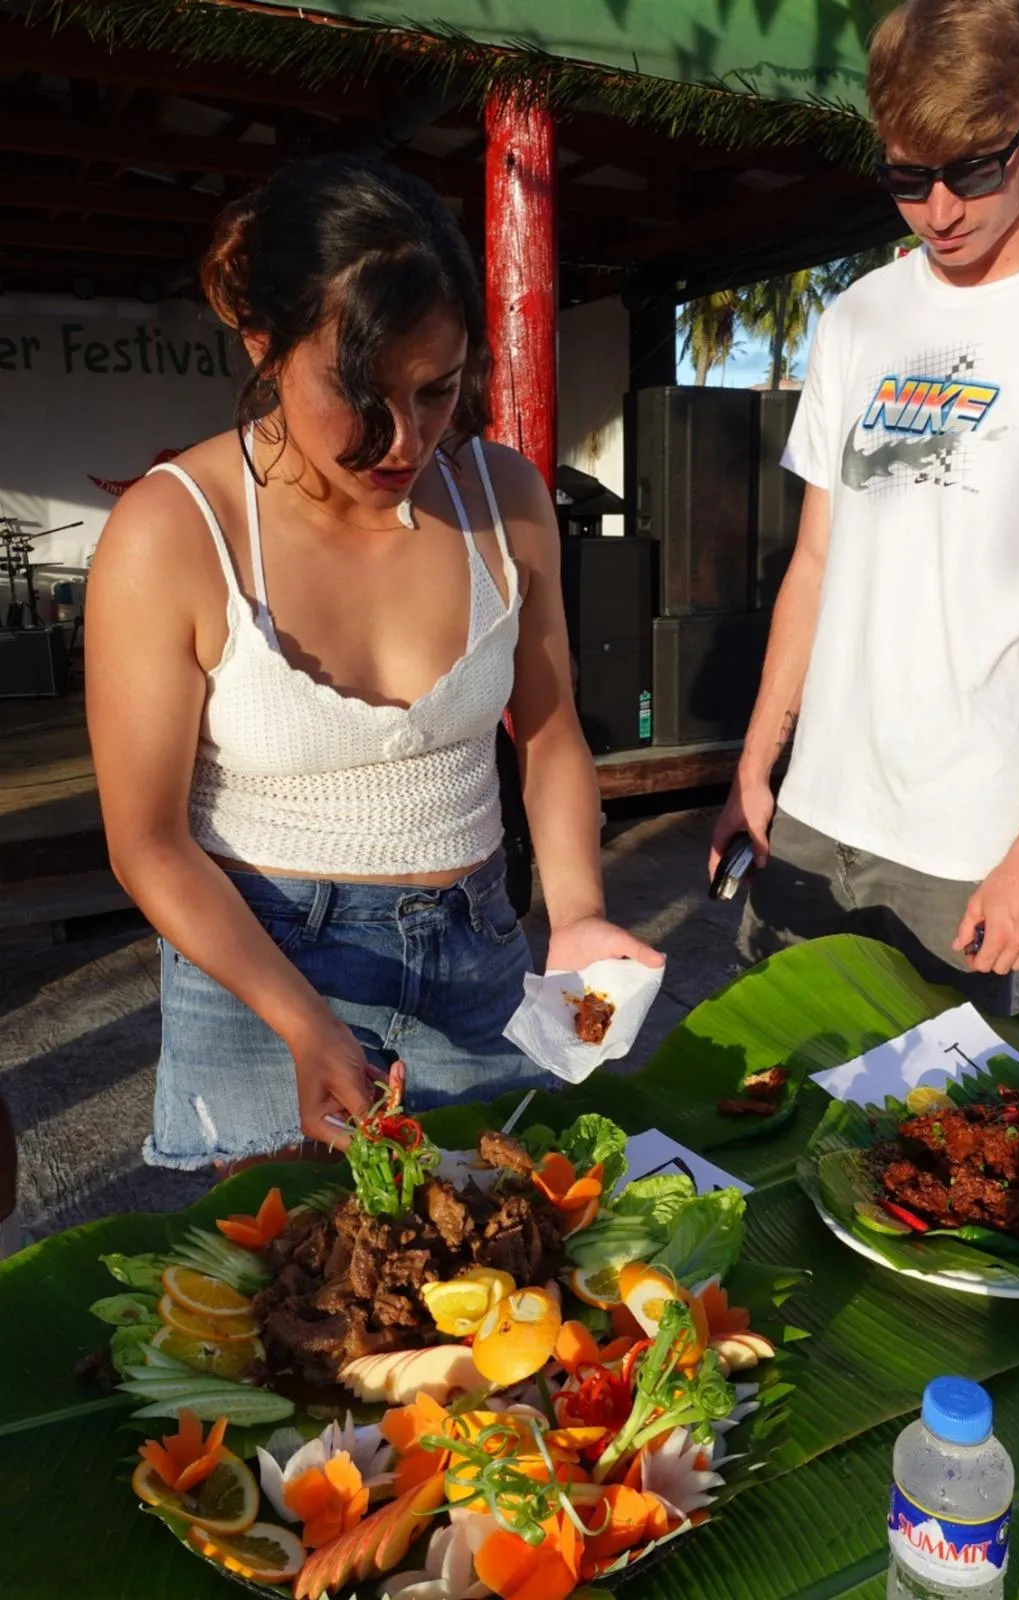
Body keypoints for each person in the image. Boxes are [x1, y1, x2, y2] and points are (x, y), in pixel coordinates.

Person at [87, 154, 662, 1171]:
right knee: (304, 1263)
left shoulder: (502, 498)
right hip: (260, 962)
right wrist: (302, 1021)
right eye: (360, 394)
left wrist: (576, 913)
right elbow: (148, 842)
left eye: (437, 391)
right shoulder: (174, 530)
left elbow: (551, 731)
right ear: (264, 343)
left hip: (478, 948)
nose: (405, 441)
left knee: (498, 1250)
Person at [711, 0, 1019, 1014]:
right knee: (757, 1095)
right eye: (906, 177)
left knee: (921, 1112)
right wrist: (756, 765)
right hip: (812, 816)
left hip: (964, 850)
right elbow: (816, 563)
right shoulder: (860, 317)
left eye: (974, 170)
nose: (939, 210)